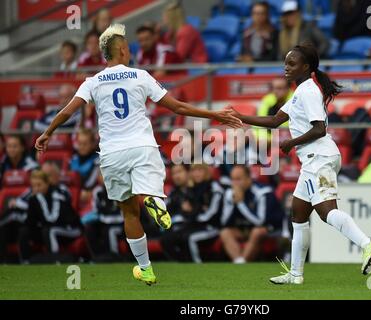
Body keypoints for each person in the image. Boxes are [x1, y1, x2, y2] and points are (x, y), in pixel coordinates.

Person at [35, 24, 241, 285]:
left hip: (111, 154)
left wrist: (48, 132)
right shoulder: (140, 76)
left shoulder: (92, 82)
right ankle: (154, 199)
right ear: (121, 50)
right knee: (151, 191)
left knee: (129, 213)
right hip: (143, 146)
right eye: (128, 47)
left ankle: (145, 268)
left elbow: (68, 111)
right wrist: (214, 115)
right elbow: (176, 107)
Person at [228, 43, 371, 284]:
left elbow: (319, 129)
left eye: (292, 64)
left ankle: (367, 243)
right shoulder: (300, 92)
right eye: (285, 62)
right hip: (312, 159)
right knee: (298, 215)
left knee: (326, 212)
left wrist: (292, 142)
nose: (286, 67)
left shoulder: (309, 91)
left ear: (306, 67)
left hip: (317, 157)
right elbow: (273, 120)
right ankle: (296, 274)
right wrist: (238, 116)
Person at [220, 165, 283, 263]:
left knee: (257, 232)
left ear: (248, 179)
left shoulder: (263, 192)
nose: (235, 184)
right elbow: (224, 222)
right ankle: (238, 261)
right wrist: (232, 203)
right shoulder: (229, 193)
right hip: (244, 228)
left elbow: (260, 221)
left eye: (238, 179)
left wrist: (240, 203)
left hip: (268, 228)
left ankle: (243, 262)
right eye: (233, 180)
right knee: (225, 232)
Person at [161, 164, 223, 263]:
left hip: (211, 226)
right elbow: (189, 211)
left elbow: (209, 214)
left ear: (206, 171)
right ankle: (182, 264)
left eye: (200, 170)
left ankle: (196, 266)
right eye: (194, 171)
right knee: (169, 238)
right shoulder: (192, 189)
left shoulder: (214, 188)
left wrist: (192, 213)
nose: (196, 174)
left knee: (189, 237)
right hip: (194, 224)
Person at [18, 170, 82, 263]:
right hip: (50, 228)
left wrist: (37, 202)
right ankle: (26, 261)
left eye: (39, 185)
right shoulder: (34, 199)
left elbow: (53, 219)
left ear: (47, 183)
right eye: (33, 186)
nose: (36, 189)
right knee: (24, 231)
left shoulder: (57, 195)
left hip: (71, 229)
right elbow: (30, 222)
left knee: (49, 230)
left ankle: (54, 260)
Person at [254, 78, 292, 144]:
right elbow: (260, 123)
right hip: (270, 141)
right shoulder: (267, 99)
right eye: (273, 88)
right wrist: (268, 139)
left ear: (288, 89)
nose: (275, 91)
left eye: (279, 88)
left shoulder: (295, 99)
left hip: (291, 139)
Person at [70, 129, 100, 203]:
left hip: (88, 193)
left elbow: (90, 182)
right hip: (75, 191)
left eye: (85, 144)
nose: (82, 146)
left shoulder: (97, 160)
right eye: (80, 144)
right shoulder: (73, 159)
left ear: (93, 144)